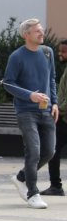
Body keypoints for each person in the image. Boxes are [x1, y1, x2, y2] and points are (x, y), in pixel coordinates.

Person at [2, 18, 59, 209]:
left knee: (49, 152)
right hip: (26, 111)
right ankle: (32, 193)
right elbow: (8, 83)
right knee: (33, 151)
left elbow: (51, 79)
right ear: (26, 35)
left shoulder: (47, 52)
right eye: (37, 31)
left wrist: (55, 102)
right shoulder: (17, 56)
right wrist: (30, 95)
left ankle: (21, 177)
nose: (42, 33)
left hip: (46, 110)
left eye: (41, 30)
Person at [48, 37, 67, 197]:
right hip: (63, 118)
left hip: (64, 119)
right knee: (52, 150)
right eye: (59, 50)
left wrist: (58, 110)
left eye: (64, 51)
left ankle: (56, 186)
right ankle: (55, 186)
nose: (60, 53)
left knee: (52, 150)